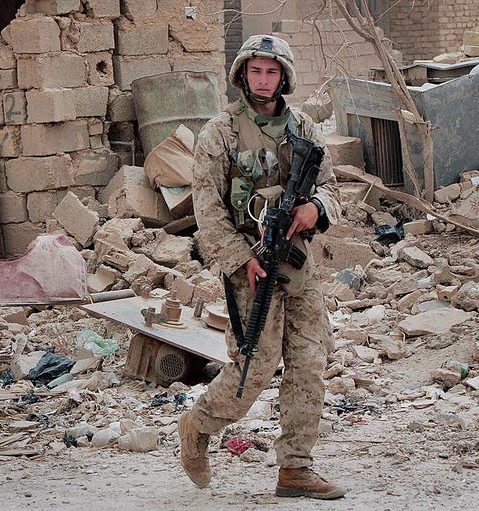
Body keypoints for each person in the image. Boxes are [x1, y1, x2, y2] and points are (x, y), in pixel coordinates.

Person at [179, 34, 346, 500]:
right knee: (255, 365)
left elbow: (332, 186)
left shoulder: (305, 129)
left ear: (284, 78)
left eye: (272, 72)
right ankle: (198, 423)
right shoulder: (220, 134)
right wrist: (240, 259)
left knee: (309, 365)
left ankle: (295, 468)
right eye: (256, 71)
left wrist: (316, 206)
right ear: (242, 75)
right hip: (249, 267)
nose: (263, 79)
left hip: (299, 266)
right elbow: (207, 210)